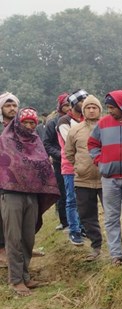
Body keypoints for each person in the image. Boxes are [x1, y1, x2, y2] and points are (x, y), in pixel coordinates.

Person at [0, 108, 59, 296]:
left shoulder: (37, 143)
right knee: (13, 237)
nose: (28, 126)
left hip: (32, 195)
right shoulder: (5, 141)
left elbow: (43, 167)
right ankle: (15, 280)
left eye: (32, 123)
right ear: (17, 123)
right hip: (11, 195)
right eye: (24, 122)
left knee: (28, 237)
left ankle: (25, 275)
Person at [89, 90, 122, 265]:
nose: (109, 110)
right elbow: (93, 144)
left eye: (112, 107)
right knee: (111, 217)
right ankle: (115, 254)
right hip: (109, 179)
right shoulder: (102, 124)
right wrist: (99, 160)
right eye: (108, 107)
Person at [65, 96, 105, 262]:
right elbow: (69, 153)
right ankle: (96, 246)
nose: (91, 110)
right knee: (87, 215)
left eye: (94, 107)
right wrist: (80, 167)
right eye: (88, 107)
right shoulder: (75, 130)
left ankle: (119, 248)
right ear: (83, 111)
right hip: (83, 180)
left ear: (99, 109)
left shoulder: (107, 127)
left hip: (106, 179)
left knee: (112, 214)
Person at [57, 90, 87, 246]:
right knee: (71, 199)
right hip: (70, 166)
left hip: (86, 166)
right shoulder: (64, 121)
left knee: (83, 199)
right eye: (82, 101)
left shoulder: (86, 119)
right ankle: (74, 230)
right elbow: (71, 143)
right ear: (75, 103)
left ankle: (82, 227)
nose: (86, 104)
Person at [43, 93, 71, 233]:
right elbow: (47, 144)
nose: (68, 108)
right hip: (60, 162)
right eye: (65, 105)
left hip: (77, 163)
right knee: (63, 191)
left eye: (69, 105)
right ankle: (64, 221)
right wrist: (60, 154)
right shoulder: (52, 123)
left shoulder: (76, 120)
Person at [0, 92, 20, 268]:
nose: (12, 108)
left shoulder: (23, 128)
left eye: (14, 105)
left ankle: (17, 248)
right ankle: (2, 250)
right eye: (8, 105)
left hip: (20, 179)